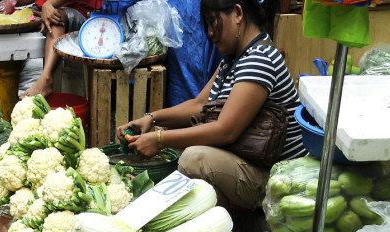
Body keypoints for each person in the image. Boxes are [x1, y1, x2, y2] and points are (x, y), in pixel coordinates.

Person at [116, 0, 307, 213]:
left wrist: (159, 139)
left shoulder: (260, 58)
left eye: (213, 22)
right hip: (252, 162)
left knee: (193, 159)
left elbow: (225, 130)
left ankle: (230, 224)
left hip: (277, 179)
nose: (209, 33)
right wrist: (151, 119)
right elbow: (199, 105)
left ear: (238, 13)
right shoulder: (233, 60)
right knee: (172, 142)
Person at [23, 0, 96, 98]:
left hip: (81, 13)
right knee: (16, 16)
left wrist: (49, 4)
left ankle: (46, 78)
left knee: (54, 18)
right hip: (44, 7)